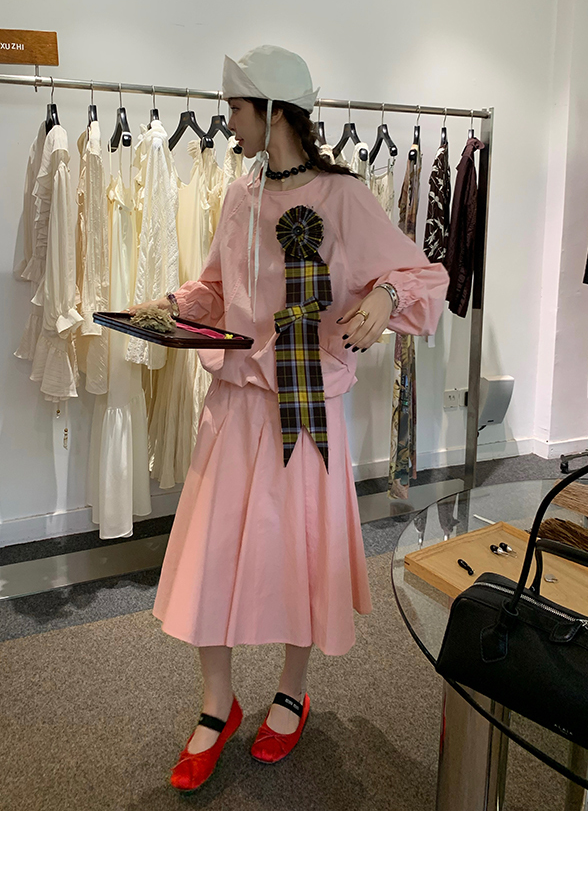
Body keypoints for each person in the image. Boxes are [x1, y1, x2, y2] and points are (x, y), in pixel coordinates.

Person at [127, 46, 448, 791]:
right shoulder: (238, 195)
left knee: (300, 550)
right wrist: (170, 307)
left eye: (236, 109)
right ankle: (217, 704)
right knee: (212, 553)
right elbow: (216, 287)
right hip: (236, 402)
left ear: (275, 111)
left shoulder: (345, 196)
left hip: (305, 410)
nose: (227, 122)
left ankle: (291, 693)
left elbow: (426, 274)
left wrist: (385, 296)